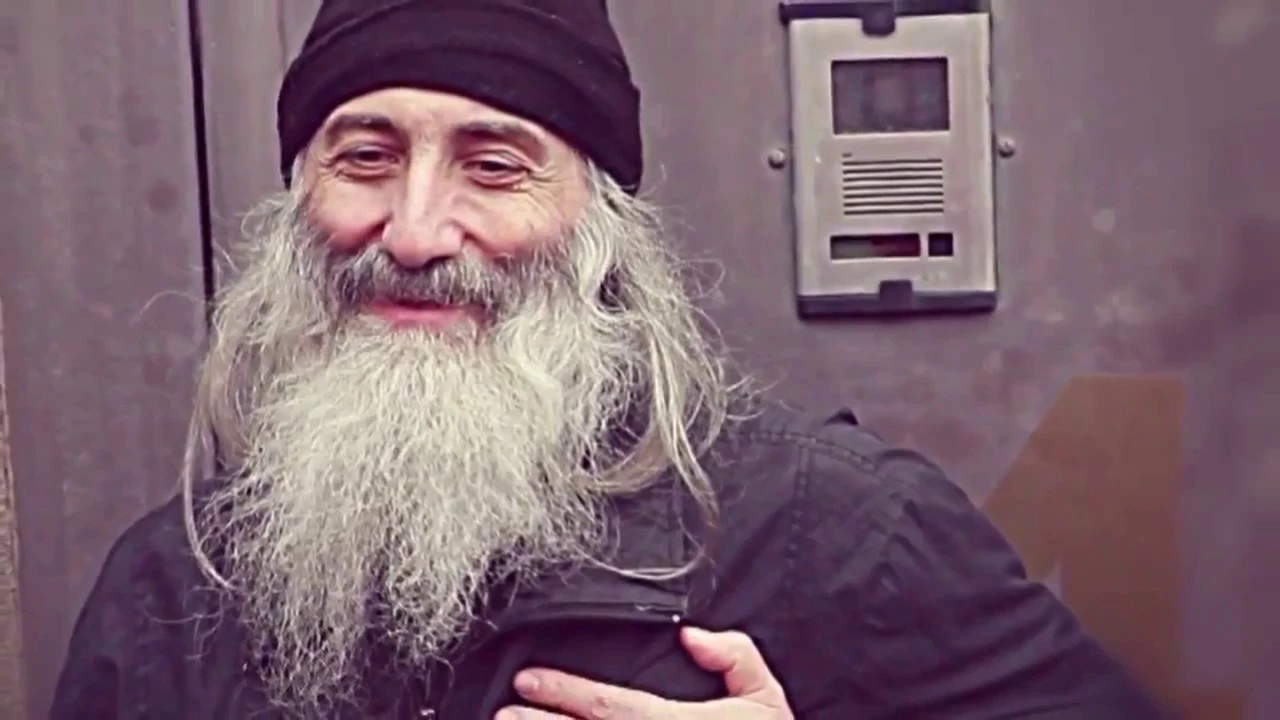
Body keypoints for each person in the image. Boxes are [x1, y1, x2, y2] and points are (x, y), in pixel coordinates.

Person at [51, 1, 1168, 718]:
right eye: (366, 157)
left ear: (599, 228)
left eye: (494, 165)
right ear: (298, 204)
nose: (416, 231)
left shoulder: (837, 531)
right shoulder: (170, 589)